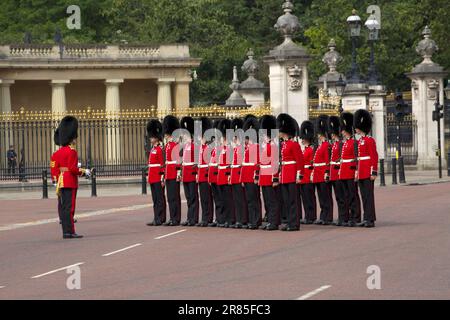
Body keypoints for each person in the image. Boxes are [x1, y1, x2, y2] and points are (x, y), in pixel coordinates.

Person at [56, 116, 90, 239]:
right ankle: (70, 231)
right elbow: (73, 169)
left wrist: (55, 180)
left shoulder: (58, 152)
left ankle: (65, 231)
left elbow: (57, 168)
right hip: (70, 182)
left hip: (61, 181)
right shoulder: (72, 151)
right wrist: (84, 172)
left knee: (64, 208)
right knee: (70, 208)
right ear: (71, 139)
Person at [277, 114, 304, 231]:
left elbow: (300, 161)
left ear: (284, 131)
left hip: (292, 175)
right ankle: (289, 222)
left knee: (293, 200)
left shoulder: (294, 144)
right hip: (285, 175)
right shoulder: (283, 145)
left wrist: (299, 176)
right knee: (287, 201)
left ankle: (294, 223)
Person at [354, 109, 378, 228]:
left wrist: (373, 171)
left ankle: (370, 219)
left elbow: (374, 156)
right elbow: (359, 158)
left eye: (357, 127)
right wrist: (357, 172)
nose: (355, 129)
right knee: (364, 196)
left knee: (369, 196)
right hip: (362, 171)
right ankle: (366, 217)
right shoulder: (360, 141)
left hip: (368, 171)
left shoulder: (369, 140)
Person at [339, 112, 361, 227]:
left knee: (353, 195)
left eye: (343, 129)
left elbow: (356, 158)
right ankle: (348, 216)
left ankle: (355, 217)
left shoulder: (354, 142)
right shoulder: (345, 143)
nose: (341, 132)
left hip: (350, 172)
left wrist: (356, 171)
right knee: (346, 196)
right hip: (344, 172)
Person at [258, 115, 280, 231]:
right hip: (264, 177)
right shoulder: (265, 146)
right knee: (267, 200)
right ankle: (270, 221)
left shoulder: (273, 146)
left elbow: (275, 163)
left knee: (272, 201)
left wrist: (275, 178)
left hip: (270, 177)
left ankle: (274, 222)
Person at [312, 115, 333, 225]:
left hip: (322, 174)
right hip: (317, 174)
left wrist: (326, 172)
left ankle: (328, 216)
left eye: (319, 135)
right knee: (321, 197)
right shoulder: (320, 146)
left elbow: (327, 161)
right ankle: (323, 215)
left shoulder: (326, 145)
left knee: (326, 196)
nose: (318, 136)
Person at [162, 115, 182, 226]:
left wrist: (179, 173)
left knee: (175, 196)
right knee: (170, 197)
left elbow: (178, 161)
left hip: (174, 173)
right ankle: (172, 217)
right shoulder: (168, 145)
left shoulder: (175, 144)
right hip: (168, 173)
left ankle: (176, 218)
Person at [146, 119, 166, 226]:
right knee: (155, 199)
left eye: (152, 136)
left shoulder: (160, 149)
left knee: (160, 198)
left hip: (158, 177)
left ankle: (161, 218)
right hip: (152, 177)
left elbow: (162, 165)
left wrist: (162, 178)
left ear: (156, 137)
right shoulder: (153, 149)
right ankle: (156, 217)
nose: (150, 138)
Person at [180, 116, 199, 227]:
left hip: (192, 174)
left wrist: (196, 174)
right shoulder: (185, 146)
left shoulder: (194, 145)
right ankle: (189, 217)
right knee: (188, 198)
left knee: (193, 197)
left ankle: (194, 218)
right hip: (186, 175)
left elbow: (196, 161)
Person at [328, 116, 347, 227]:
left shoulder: (340, 144)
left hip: (338, 172)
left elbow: (340, 159)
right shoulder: (334, 144)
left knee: (342, 197)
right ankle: (341, 216)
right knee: (338, 197)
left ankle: (344, 217)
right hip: (334, 173)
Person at [230, 118, 247, 229]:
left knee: (242, 199)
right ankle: (239, 219)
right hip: (234, 175)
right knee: (236, 199)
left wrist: (242, 177)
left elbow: (242, 164)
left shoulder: (243, 148)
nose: (235, 139)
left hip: (240, 175)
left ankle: (244, 219)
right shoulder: (236, 148)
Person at [216, 119, 234, 228]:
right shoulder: (221, 148)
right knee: (222, 199)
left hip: (226, 175)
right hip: (220, 175)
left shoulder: (230, 148)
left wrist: (228, 175)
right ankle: (224, 218)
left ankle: (230, 219)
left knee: (228, 199)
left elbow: (230, 163)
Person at [197, 117, 214, 227]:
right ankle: (204, 218)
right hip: (201, 173)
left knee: (208, 197)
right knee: (203, 198)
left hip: (206, 174)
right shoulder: (201, 146)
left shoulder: (209, 147)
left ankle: (209, 218)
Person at [299, 121, 317, 224]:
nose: (302, 140)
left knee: (309, 197)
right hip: (303, 176)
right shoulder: (304, 150)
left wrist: (311, 174)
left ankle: (311, 216)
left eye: (303, 138)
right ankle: (308, 215)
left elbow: (312, 164)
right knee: (305, 198)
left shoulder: (311, 150)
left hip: (308, 176)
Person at [207, 119, 222, 227]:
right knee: (216, 198)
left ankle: (222, 218)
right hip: (213, 176)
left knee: (221, 198)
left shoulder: (222, 147)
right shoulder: (214, 148)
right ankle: (218, 218)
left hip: (219, 175)